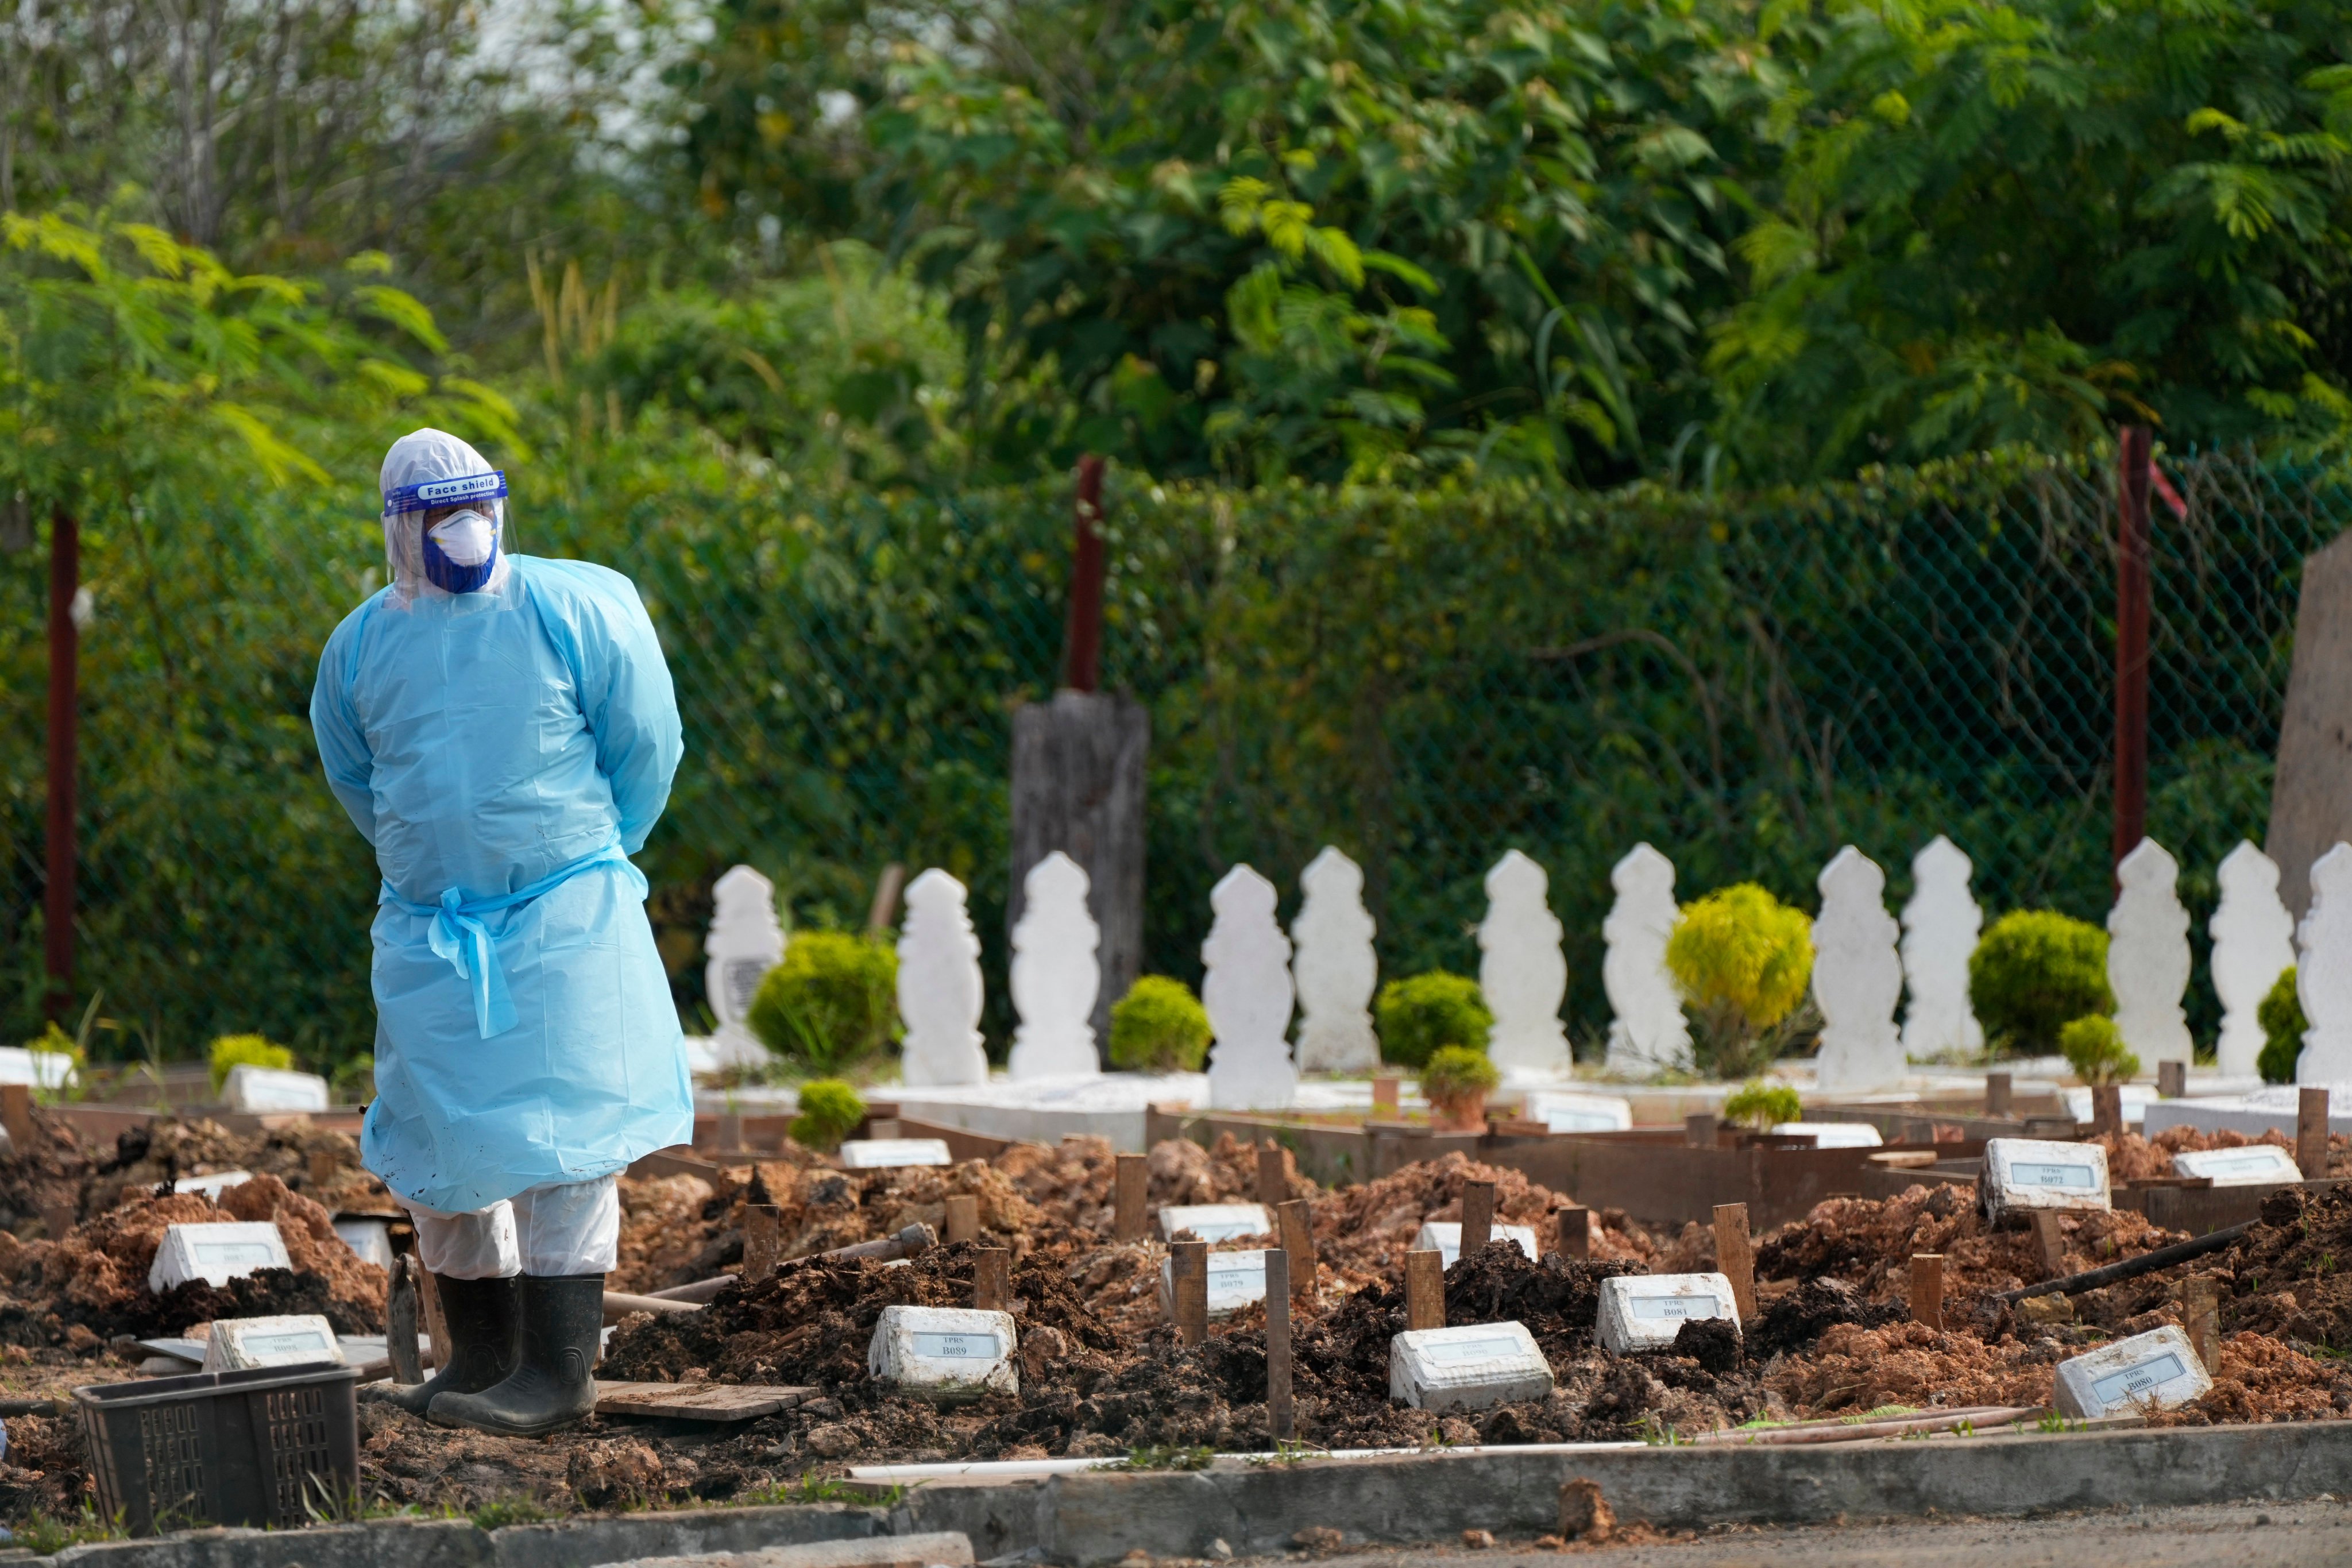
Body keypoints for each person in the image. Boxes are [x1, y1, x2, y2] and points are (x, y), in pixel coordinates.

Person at [310, 428, 691, 1435]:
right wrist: (433, 866)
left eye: (472, 509)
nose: (459, 534)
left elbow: (647, 742)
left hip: (565, 918)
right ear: (396, 528)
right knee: (438, 1148)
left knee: (566, 1150)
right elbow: (360, 780)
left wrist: (590, 854)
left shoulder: (577, 608)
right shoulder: (359, 647)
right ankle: (480, 1355)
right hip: (433, 934)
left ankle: (559, 1375)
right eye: (434, 518)